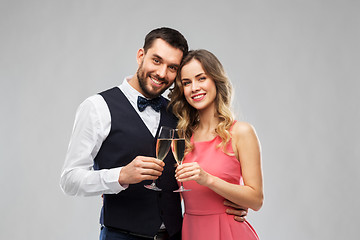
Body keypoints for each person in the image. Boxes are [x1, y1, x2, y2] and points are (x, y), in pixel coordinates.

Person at [60, 28, 248, 240]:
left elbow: (206, 165)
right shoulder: (97, 107)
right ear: (141, 55)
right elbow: (69, 180)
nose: (162, 73)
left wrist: (227, 207)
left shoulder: (180, 114)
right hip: (121, 236)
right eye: (156, 61)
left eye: (172, 67)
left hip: (176, 235)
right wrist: (119, 176)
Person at [170, 49, 264, 240]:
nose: (194, 87)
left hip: (229, 233)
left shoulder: (241, 132)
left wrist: (208, 179)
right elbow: (175, 197)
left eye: (201, 78)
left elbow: (256, 200)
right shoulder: (181, 139)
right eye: (187, 83)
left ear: (215, 80)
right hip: (191, 232)